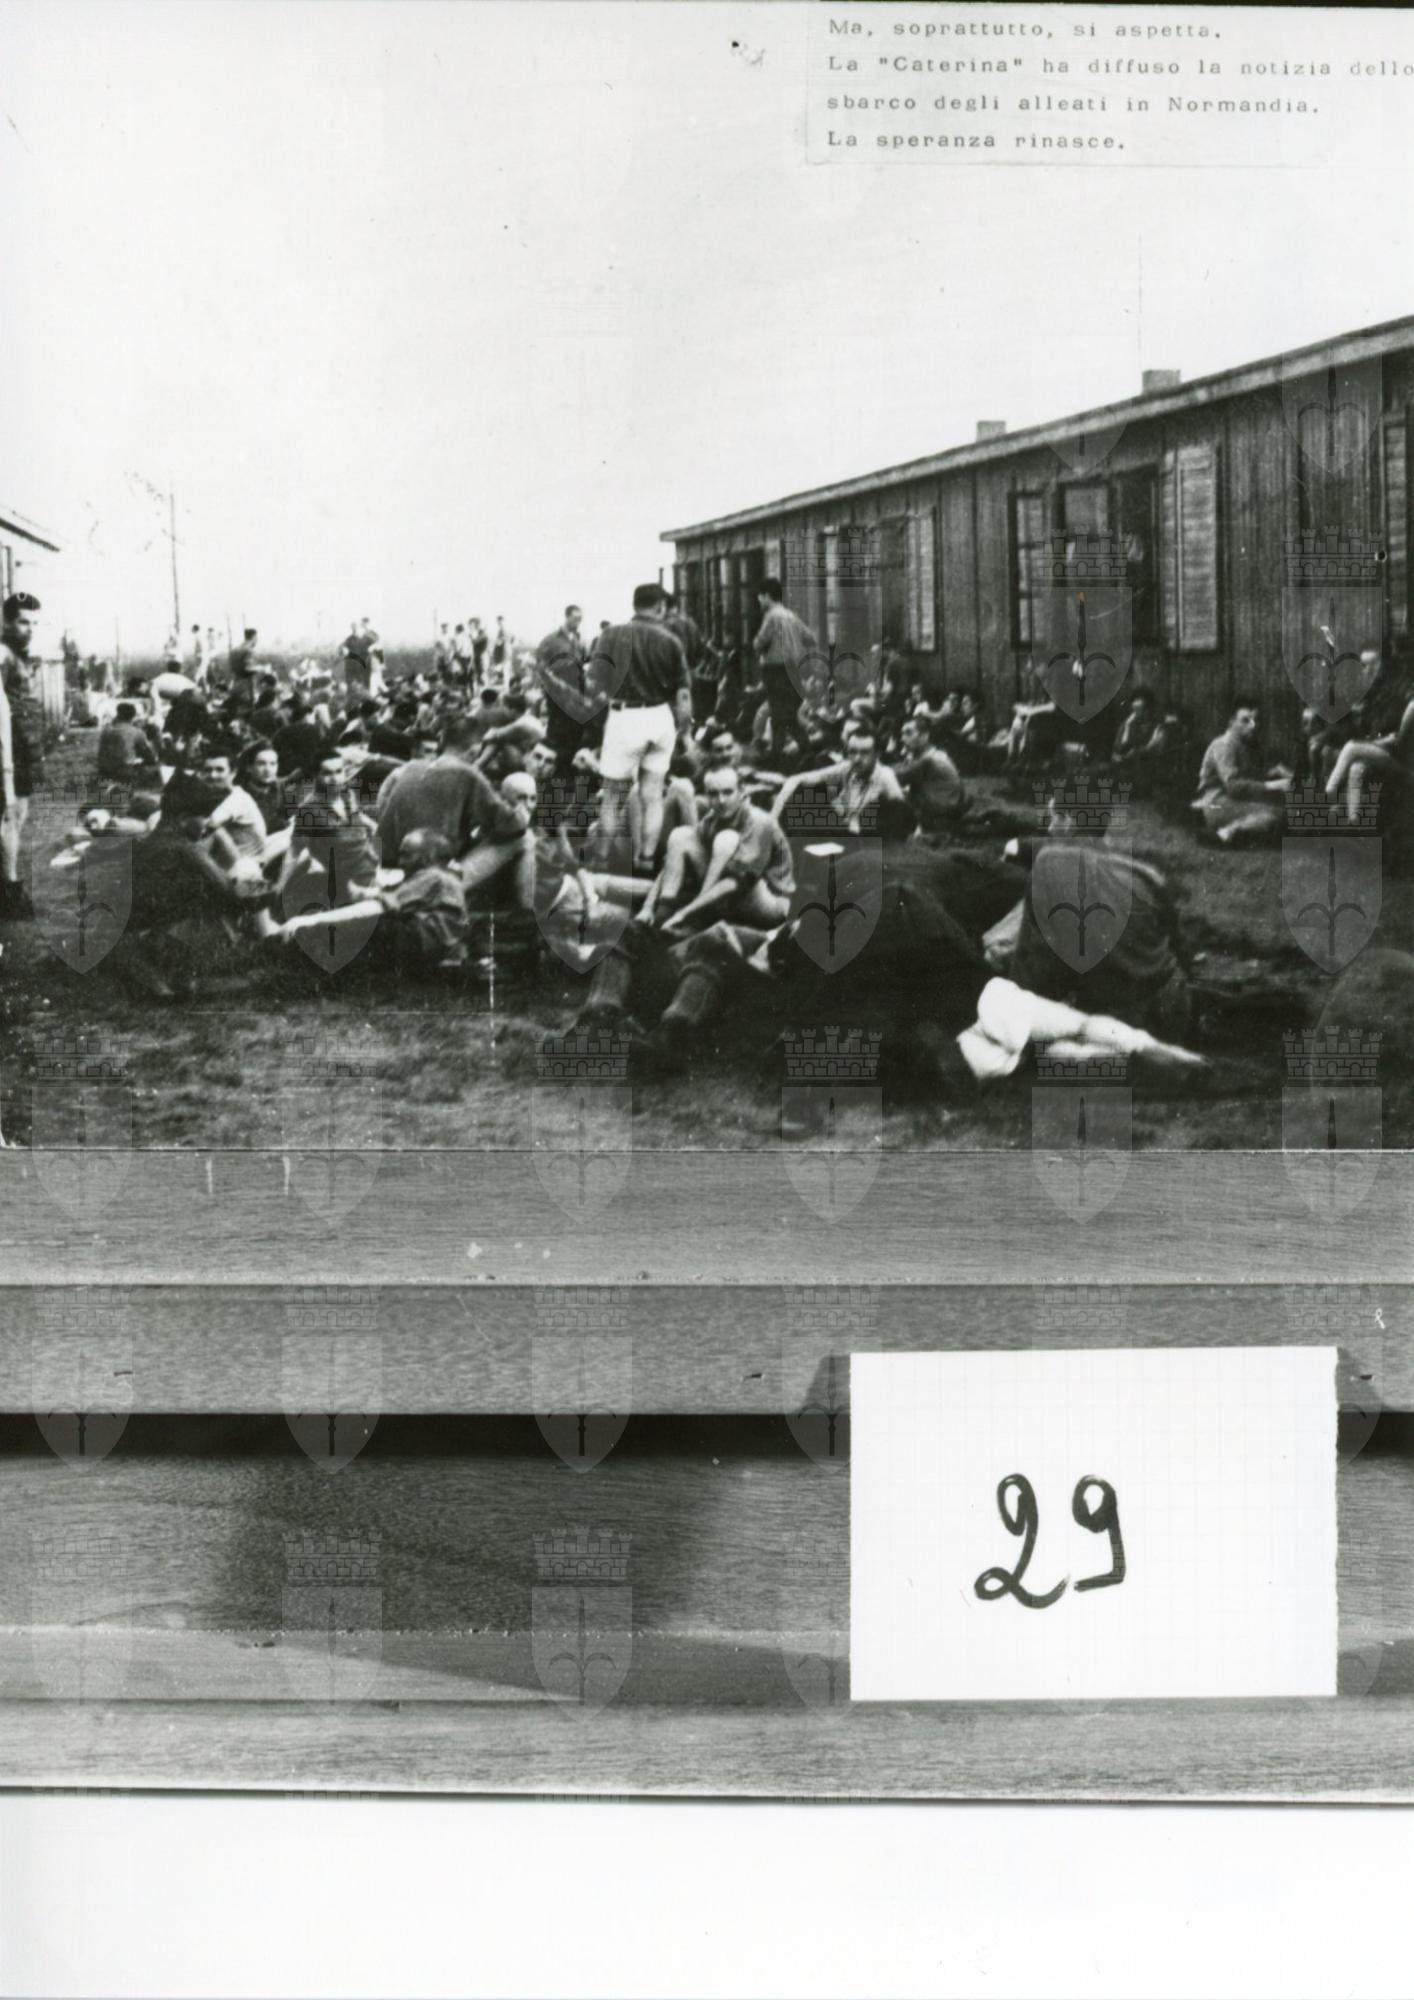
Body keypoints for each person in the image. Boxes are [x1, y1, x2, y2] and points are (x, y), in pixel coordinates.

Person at [1007, 786, 1191, 1042]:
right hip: (1173, 1004)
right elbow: (1180, 947)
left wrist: (1012, 1011)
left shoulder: (1047, 865)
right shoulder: (1146, 874)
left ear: (1068, 822)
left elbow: (1032, 968)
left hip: (1116, 1020)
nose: (1048, 828)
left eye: (1053, 818)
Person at [587, 582, 691, 870]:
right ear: (660, 606)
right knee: (652, 796)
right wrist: (685, 732)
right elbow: (683, 695)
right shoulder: (671, 640)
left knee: (612, 797)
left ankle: (601, 860)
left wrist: (600, 715)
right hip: (660, 716)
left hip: (625, 716)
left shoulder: (611, 635)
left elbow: (593, 685)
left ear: (635, 604)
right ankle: (646, 860)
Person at [277, 826, 468, 973]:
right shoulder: (445, 878)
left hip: (418, 941)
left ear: (428, 857)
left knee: (351, 927)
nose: (401, 861)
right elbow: (383, 896)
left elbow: (376, 907)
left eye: (407, 855)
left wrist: (313, 919)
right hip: (431, 948)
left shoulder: (433, 877)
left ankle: (292, 952)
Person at [639, 762, 795, 935]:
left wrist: (686, 913)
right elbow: (672, 859)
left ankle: (697, 917)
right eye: (713, 794)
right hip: (733, 897)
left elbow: (734, 883)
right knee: (680, 836)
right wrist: (647, 907)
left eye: (728, 792)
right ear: (706, 795)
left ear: (741, 792)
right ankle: (661, 917)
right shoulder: (713, 819)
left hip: (771, 902)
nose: (721, 801)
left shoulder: (759, 822)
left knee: (726, 839)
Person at [375, 712, 498, 865]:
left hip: (384, 856)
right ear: (474, 751)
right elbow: (511, 824)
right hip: (423, 863)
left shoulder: (409, 768)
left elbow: (382, 808)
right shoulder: (466, 773)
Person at [770, 722, 905, 835]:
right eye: (853, 751)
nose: (857, 758)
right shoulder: (847, 767)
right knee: (798, 800)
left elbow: (901, 816)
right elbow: (797, 779)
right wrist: (773, 818)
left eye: (864, 753)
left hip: (864, 834)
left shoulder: (885, 776)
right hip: (844, 824)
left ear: (877, 754)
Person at [0, 591, 46, 919]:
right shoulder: (3, 654)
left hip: (23, 750)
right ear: (6, 622)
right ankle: (10, 891)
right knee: (11, 817)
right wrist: (7, 768)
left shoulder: (18, 656)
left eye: (34, 623)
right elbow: (2, 714)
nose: (29, 629)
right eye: (23, 622)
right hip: (9, 749)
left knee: (17, 816)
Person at [1195, 697, 1290, 844]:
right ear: (1231, 722)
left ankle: (1239, 832)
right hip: (1217, 802)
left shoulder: (1245, 745)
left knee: (1283, 815)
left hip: (1234, 801)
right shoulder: (1224, 744)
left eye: (1256, 720)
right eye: (1245, 720)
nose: (1253, 725)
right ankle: (1226, 833)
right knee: (1277, 815)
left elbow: (1248, 776)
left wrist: (1275, 771)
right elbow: (1233, 786)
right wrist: (1274, 785)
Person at [752, 577, 817, 760]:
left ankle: (778, 756)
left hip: (775, 671)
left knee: (778, 714)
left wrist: (763, 646)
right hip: (794, 670)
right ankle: (802, 750)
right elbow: (810, 637)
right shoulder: (791, 616)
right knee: (789, 714)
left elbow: (759, 643)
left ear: (767, 596)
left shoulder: (772, 616)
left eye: (760, 597)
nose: (759, 601)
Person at [461, 768, 539, 911]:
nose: (529, 805)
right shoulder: (480, 822)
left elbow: (527, 902)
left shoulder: (525, 839)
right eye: (521, 798)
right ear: (502, 800)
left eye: (533, 799)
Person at [894, 712, 965, 840]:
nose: (902, 738)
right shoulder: (935, 754)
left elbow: (895, 777)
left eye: (909, 733)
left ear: (925, 736)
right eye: (902, 734)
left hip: (937, 819)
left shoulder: (928, 760)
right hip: (943, 813)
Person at [96, 701, 160, 783]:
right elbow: (149, 756)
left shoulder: (106, 730)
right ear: (133, 717)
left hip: (104, 771)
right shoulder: (136, 732)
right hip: (124, 772)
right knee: (157, 769)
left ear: (118, 714)